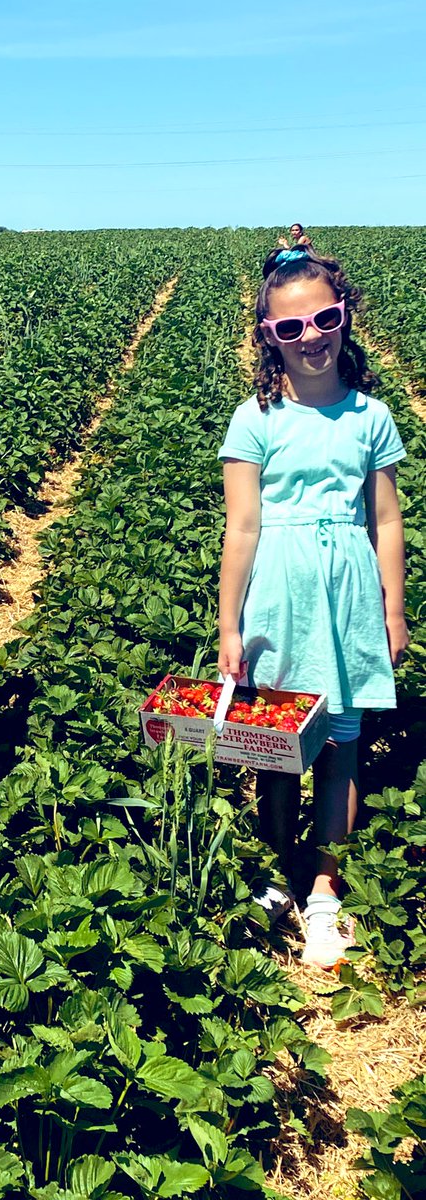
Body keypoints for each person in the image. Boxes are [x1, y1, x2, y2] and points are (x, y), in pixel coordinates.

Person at [217, 249, 408, 969]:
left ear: (345, 317)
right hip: (280, 590)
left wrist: (393, 610)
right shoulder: (256, 418)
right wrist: (229, 624)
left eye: (325, 318)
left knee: (340, 746)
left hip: (349, 593)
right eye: (292, 325)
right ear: (268, 334)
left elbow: (385, 520)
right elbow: (241, 528)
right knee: (275, 749)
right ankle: (276, 874)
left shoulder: (372, 417)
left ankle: (324, 889)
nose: (312, 336)